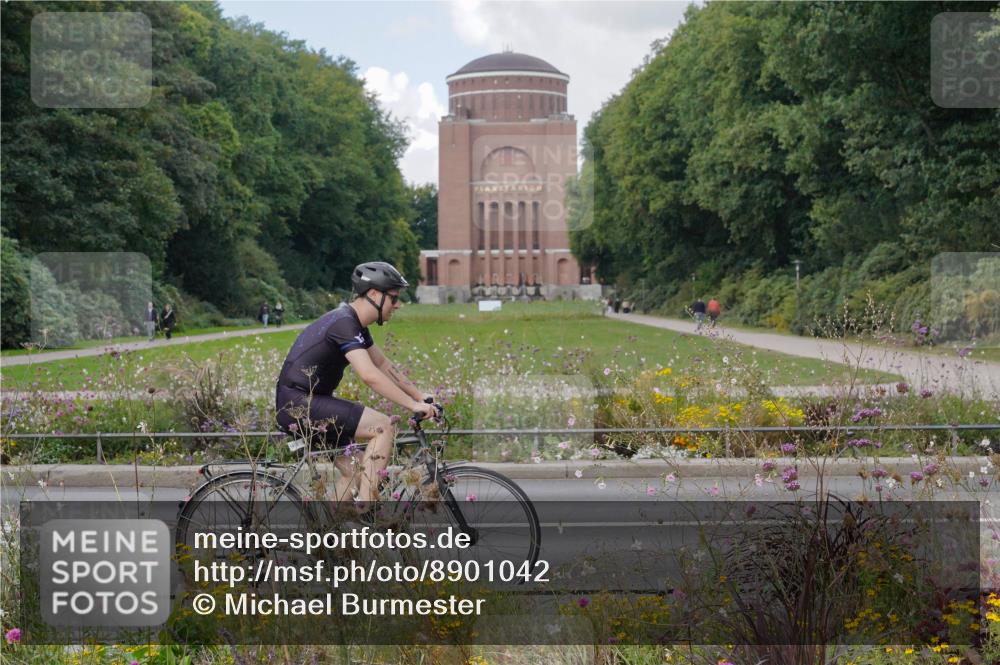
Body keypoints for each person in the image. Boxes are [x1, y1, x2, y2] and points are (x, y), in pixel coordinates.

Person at [275, 261, 439, 503]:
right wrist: (412, 406)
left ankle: (333, 535)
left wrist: (418, 396)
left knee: (355, 472)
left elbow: (383, 365)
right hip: (299, 403)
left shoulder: (354, 323)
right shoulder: (344, 323)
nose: (398, 305)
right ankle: (367, 507)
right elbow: (370, 375)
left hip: (307, 401)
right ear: (374, 294)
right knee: (383, 426)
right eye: (393, 298)